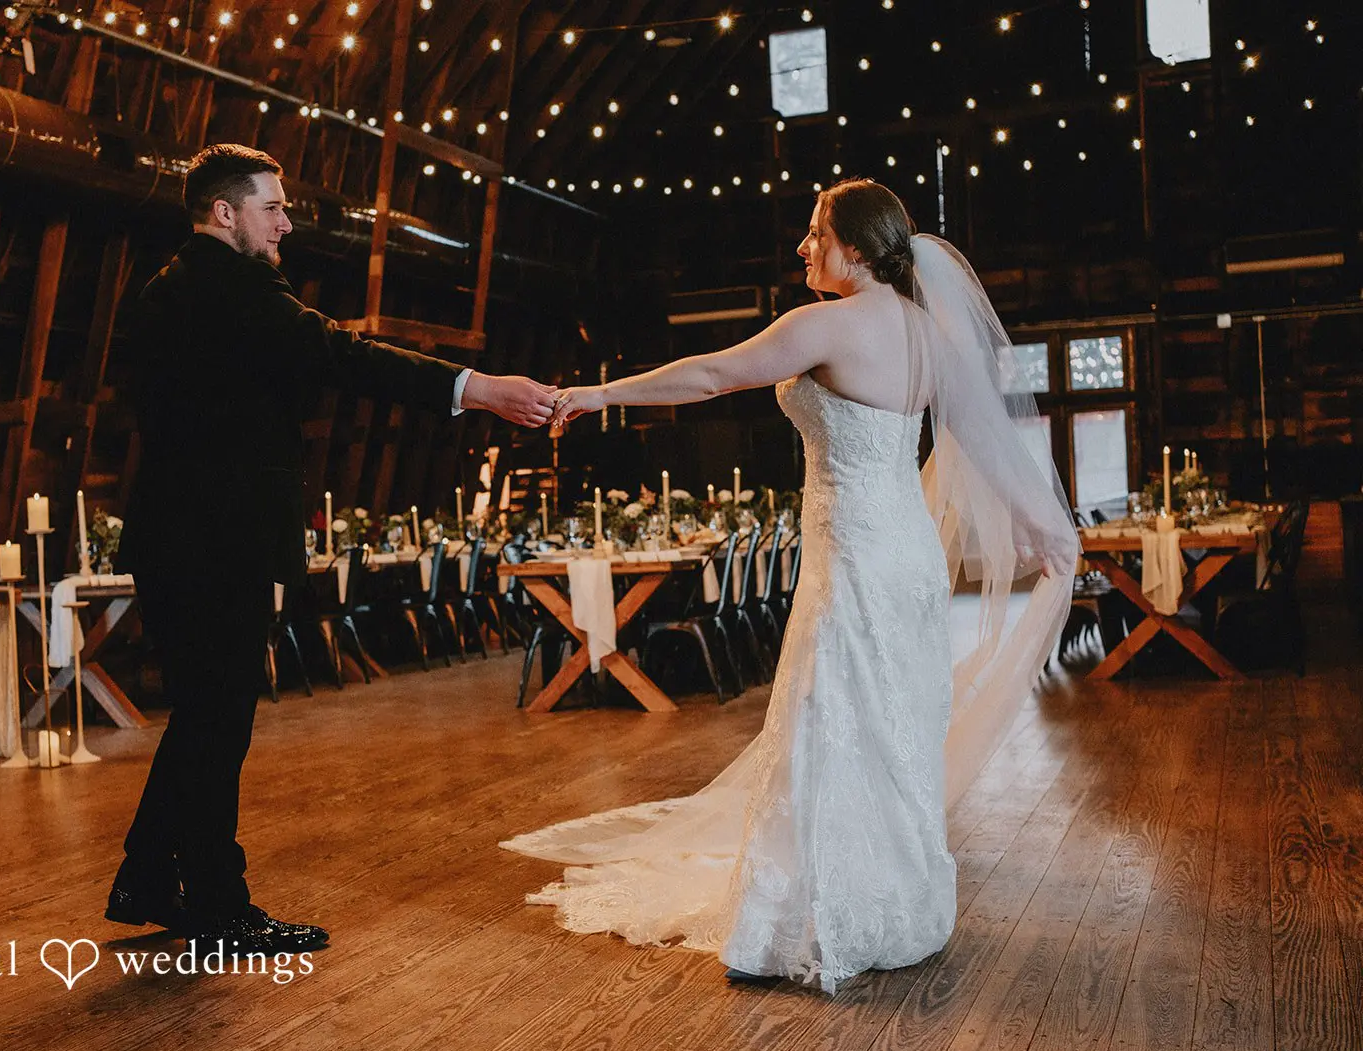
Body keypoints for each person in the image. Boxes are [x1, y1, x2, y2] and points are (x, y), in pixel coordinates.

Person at [503, 179, 1077, 992]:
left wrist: (601, 394)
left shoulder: (825, 324)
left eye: (815, 233)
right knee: (893, 730)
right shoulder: (927, 332)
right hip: (906, 559)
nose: (803, 248)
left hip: (851, 560)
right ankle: (897, 906)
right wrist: (1045, 524)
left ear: (854, 246)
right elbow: (983, 434)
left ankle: (811, 916)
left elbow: (710, 376)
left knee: (829, 716)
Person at [108, 144, 556, 955]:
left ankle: (146, 875)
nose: (286, 224)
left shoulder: (161, 290)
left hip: (175, 535)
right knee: (220, 722)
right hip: (221, 539)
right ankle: (218, 904)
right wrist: (480, 389)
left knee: (203, 717)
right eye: (272, 208)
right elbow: (342, 356)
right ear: (223, 212)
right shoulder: (234, 285)